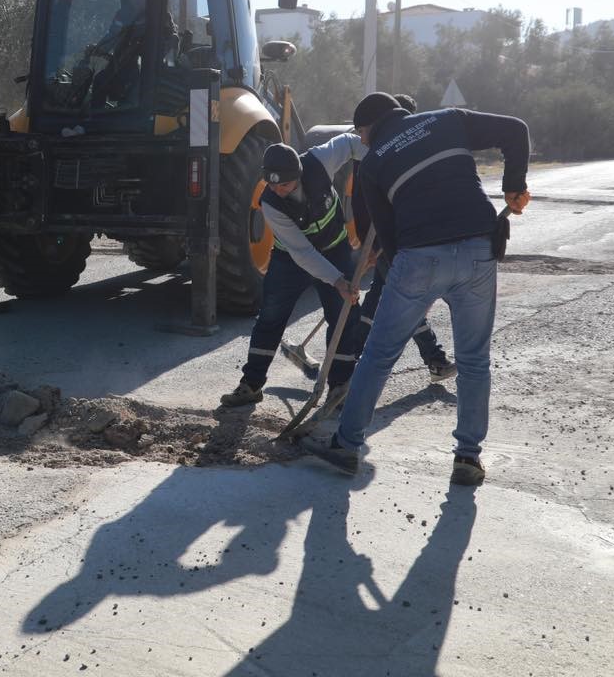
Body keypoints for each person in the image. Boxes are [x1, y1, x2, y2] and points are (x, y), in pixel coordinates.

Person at [312, 92, 530, 487]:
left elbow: (390, 240)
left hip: (419, 257)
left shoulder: (373, 163)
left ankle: (345, 446)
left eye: (361, 133)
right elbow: (516, 130)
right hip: (480, 248)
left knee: (378, 354)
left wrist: (404, 284)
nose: (361, 142)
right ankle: (467, 458)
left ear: (371, 127)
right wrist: (514, 184)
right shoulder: (448, 120)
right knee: (474, 359)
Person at [220, 135, 365, 409]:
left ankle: (340, 386)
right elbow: (303, 254)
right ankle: (250, 385)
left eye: (283, 185)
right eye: (271, 185)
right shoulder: (270, 203)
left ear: (298, 174)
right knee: (270, 317)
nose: (277, 190)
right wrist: (336, 280)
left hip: (335, 248)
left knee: (344, 315)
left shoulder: (319, 161)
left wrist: (378, 160)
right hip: (290, 259)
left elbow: (349, 142)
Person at [344, 94, 456, 383]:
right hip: (386, 240)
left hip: (399, 241)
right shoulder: (373, 148)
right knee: (400, 300)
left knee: (391, 299)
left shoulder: (405, 144)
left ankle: (350, 360)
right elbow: (360, 198)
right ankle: (350, 363)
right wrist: (371, 244)